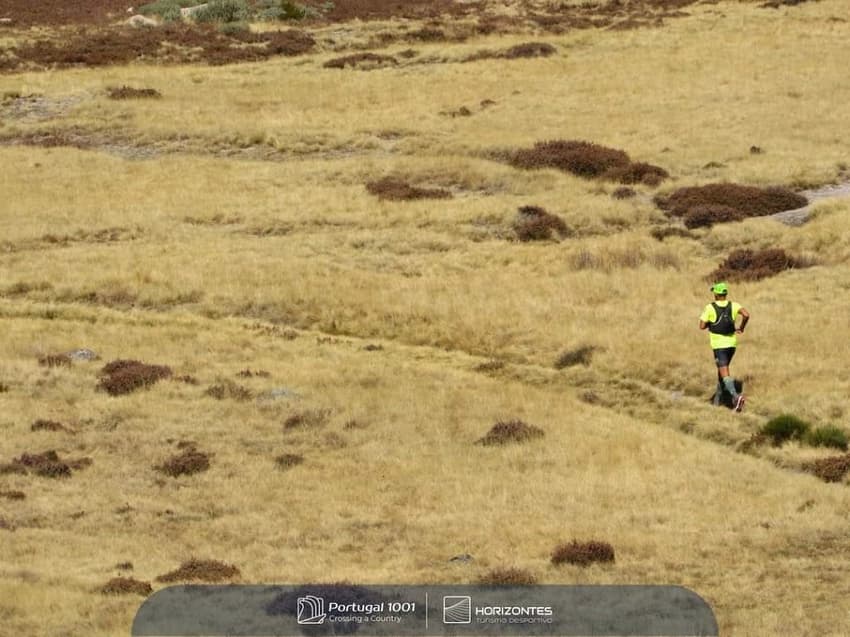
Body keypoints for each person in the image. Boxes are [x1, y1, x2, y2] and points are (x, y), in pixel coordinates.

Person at [699, 282, 750, 411]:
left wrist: (711, 324)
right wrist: (741, 328)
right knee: (721, 373)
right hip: (731, 345)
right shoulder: (734, 305)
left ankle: (736, 397)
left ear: (716, 294)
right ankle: (717, 403)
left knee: (725, 374)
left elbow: (701, 326)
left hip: (719, 346)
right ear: (725, 293)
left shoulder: (710, 308)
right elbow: (746, 314)